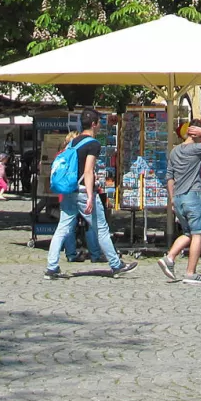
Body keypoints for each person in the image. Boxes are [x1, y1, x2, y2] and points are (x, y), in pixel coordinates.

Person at [44, 109, 137, 280]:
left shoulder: (73, 142)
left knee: (62, 228)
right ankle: (116, 265)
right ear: (94, 124)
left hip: (69, 190)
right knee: (101, 228)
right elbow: (88, 171)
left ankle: (51, 267)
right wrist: (90, 196)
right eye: (100, 122)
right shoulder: (93, 144)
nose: (101, 125)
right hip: (82, 191)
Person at [160, 120, 201, 285]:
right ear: (196, 133)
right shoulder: (196, 149)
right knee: (199, 233)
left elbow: (169, 176)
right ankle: (190, 273)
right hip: (193, 195)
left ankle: (169, 258)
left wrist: (172, 198)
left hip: (179, 197)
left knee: (188, 233)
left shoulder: (175, 151)